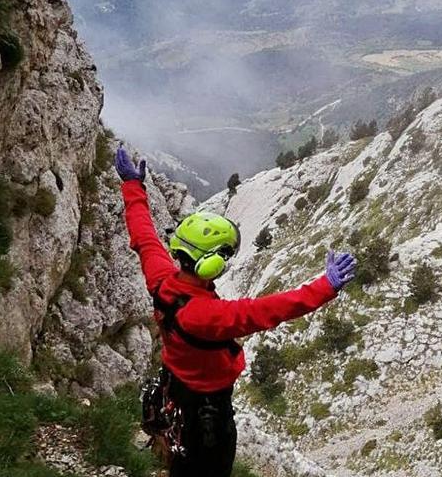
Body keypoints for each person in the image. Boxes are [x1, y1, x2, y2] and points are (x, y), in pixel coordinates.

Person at [114, 146, 357, 477]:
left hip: (178, 392)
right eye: (223, 256)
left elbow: (144, 237)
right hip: (208, 414)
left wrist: (132, 186)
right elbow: (269, 310)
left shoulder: (161, 280)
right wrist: (325, 286)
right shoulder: (206, 316)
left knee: (181, 461)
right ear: (210, 263)